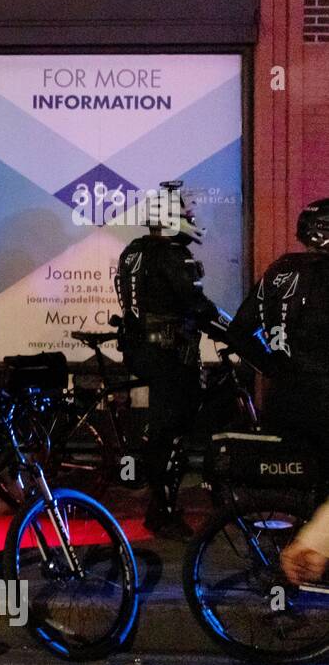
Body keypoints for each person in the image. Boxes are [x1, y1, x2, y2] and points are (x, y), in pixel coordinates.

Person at [227, 197, 329, 584]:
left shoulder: (280, 271)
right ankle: (310, 554)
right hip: (322, 399)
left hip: (283, 398)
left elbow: (240, 332)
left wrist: (274, 368)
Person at [114, 180, 220, 540]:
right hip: (169, 355)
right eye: (187, 211)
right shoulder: (174, 255)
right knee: (173, 432)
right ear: (171, 216)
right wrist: (236, 331)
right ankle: (163, 512)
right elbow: (198, 307)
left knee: (160, 429)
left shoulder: (133, 250)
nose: (193, 216)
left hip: (140, 352)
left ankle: (155, 496)